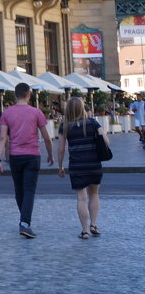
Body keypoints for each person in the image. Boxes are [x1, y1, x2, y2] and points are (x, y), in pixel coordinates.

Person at [0, 82, 54, 239]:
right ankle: (25, 223)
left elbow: (2, 138)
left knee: (19, 189)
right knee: (29, 190)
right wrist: (50, 154)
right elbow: (46, 137)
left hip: (15, 156)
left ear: (15, 95)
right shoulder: (36, 112)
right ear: (29, 95)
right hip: (32, 155)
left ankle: (24, 220)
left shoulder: (6, 113)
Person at [57, 96, 105, 239]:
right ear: (83, 108)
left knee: (81, 198)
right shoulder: (93, 123)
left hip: (77, 165)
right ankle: (94, 225)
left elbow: (61, 150)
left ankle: (84, 231)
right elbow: (105, 141)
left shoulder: (64, 126)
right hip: (94, 163)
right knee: (94, 194)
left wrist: (60, 167)